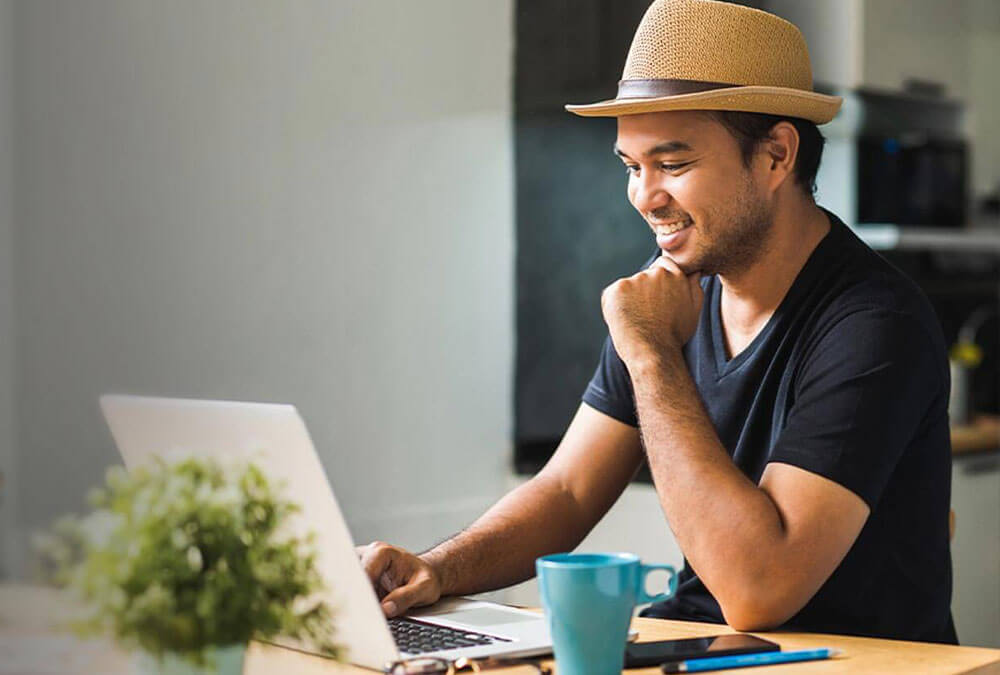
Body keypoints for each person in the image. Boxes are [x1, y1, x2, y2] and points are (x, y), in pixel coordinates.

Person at [359, 0, 956, 644]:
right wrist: (438, 570)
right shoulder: (668, 290)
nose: (644, 196)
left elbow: (760, 591)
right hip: (702, 649)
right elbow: (567, 490)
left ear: (777, 155)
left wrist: (648, 350)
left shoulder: (872, 323)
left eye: (673, 165)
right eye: (631, 167)